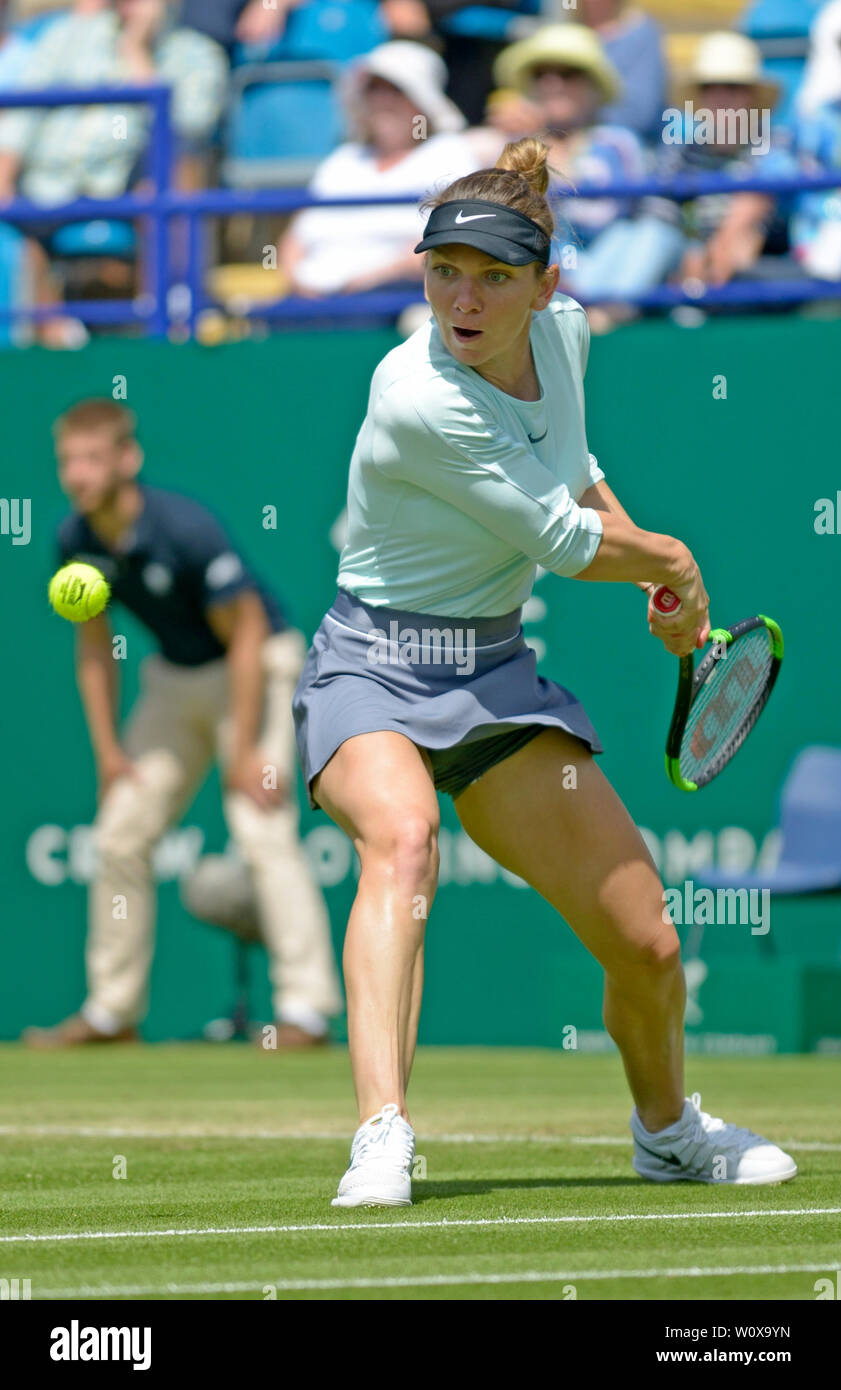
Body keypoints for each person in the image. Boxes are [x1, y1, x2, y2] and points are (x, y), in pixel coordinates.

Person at [291, 135, 798, 1206]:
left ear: (546, 286)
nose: (461, 301)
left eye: (492, 278)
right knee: (403, 839)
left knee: (649, 942)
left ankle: (666, 1130)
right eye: (443, 272)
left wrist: (656, 583)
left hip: (492, 675)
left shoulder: (566, 338)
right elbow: (569, 545)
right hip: (372, 669)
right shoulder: (413, 394)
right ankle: (382, 1132)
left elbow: (580, 484)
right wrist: (674, 569)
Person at [24, 399, 343, 1050]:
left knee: (261, 827)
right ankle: (113, 1012)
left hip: (256, 666)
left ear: (127, 460)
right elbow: (93, 648)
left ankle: (305, 1010)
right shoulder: (74, 540)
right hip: (174, 683)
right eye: (66, 462)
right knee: (118, 835)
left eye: (90, 459)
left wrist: (247, 747)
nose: (75, 475)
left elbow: (248, 630)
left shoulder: (185, 528)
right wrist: (110, 752)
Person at [276, 40, 494, 299]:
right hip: (310, 302)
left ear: (422, 101)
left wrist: (367, 282)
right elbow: (295, 238)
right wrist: (298, 286)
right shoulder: (341, 160)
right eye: (373, 89)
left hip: (393, 300)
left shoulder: (451, 154)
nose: (382, 101)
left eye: (396, 90)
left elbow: (450, 243)